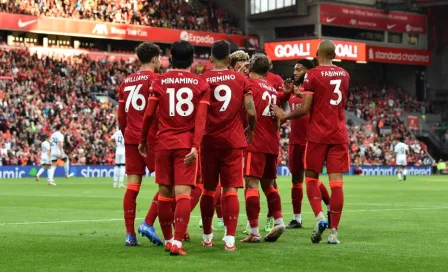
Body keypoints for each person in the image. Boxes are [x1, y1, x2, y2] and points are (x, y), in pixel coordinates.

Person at [272, 40, 350, 245]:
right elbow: (338, 101)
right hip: (339, 134)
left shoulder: (312, 74)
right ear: (334, 55)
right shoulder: (345, 74)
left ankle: (320, 218)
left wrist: (284, 115)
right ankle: (334, 233)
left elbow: (305, 109)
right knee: (337, 185)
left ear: (317, 54)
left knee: (311, 180)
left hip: (317, 135)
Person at [138, 40, 210, 256]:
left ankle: (168, 239)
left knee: (164, 193)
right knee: (183, 194)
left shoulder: (159, 81)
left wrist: (143, 140)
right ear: (192, 59)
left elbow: (149, 114)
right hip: (185, 144)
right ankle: (177, 242)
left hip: (163, 143)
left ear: (170, 57)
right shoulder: (200, 84)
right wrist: (196, 146)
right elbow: (200, 119)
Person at [200, 40, 256, 251]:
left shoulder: (203, 79)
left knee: (208, 189)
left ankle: (207, 237)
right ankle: (230, 239)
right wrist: (250, 129)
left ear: (211, 58)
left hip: (209, 140)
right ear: (231, 59)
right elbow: (250, 110)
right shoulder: (241, 78)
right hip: (233, 140)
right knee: (230, 189)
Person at [117, 41, 162, 247]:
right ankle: (148, 222)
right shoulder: (157, 80)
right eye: (160, 58)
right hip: (151, 138)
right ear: (154, 59)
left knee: (132, 187)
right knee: (167, 184)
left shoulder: (126, 82)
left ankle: (129, 235)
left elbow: (121, 116)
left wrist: (128, 133)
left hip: (131, 138)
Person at [241, 53, 285, 243]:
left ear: (250, 67)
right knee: (269, 185)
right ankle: (279, 220)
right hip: (272, 143)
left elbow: (249, 112)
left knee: (251, 184)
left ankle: (254, 231)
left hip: (255, 141)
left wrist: (250, 130)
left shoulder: (249, 85)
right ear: (268, 71)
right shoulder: (273, 91)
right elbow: (278, 121)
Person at [286, 59, 331, 229]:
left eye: (299, 69)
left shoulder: (313, 89)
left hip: (310, 141)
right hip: (294, 141)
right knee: (295, 179)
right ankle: (297, 218)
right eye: (294, 69)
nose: (295, 72)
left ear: (308, 71)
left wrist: (299, 94)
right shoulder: (292, 91)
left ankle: (329, 207)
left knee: (312, 179)